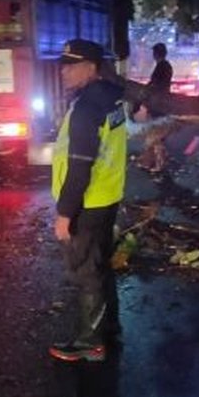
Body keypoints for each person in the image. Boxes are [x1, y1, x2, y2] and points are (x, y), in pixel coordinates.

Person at [50, 39, 128, 363]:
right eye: (63, 65)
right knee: (100, 264)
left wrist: (65, 214)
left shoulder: (86, 108)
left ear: (92, 67)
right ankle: (108, 328)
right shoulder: (111, 97)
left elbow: (80, 165)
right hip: (108, 195)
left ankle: (90, 343)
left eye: (72, 65)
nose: (64, 71)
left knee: (86, 272)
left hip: (88, 202)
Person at [136, 43, 174, 172]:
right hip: (161, 104)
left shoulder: (162, 66)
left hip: (158, 104)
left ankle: (159, 163)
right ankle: (155, 160)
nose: (153, 55)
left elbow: (156, 84)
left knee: (156, 133)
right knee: (157, 133)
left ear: (156, 54)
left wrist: (146, 91)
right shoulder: (165, 66)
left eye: (154, 52)